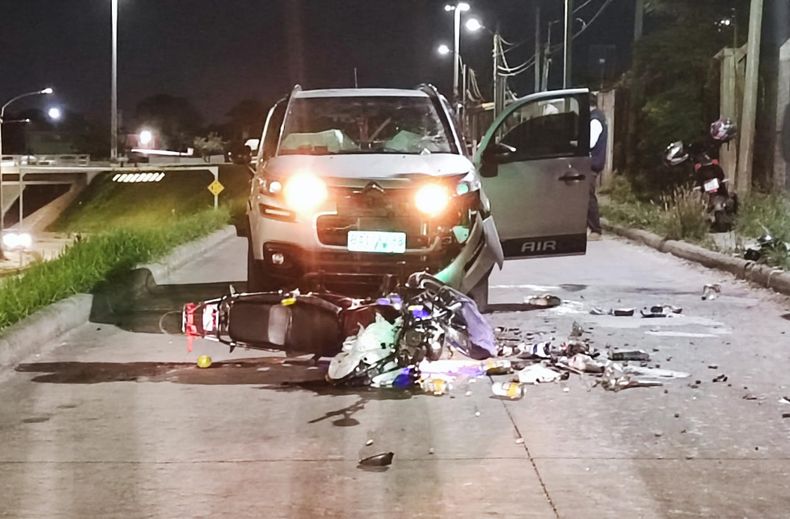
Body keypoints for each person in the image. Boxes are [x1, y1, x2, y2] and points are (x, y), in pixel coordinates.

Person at [588, 93, 608, 240]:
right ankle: (590, 227)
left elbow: (590, 143)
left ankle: (596, 230)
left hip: (592, 163)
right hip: (594, 162)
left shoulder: (594, 120)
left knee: (588, 196)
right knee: (586, 195)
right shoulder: (598, 117)